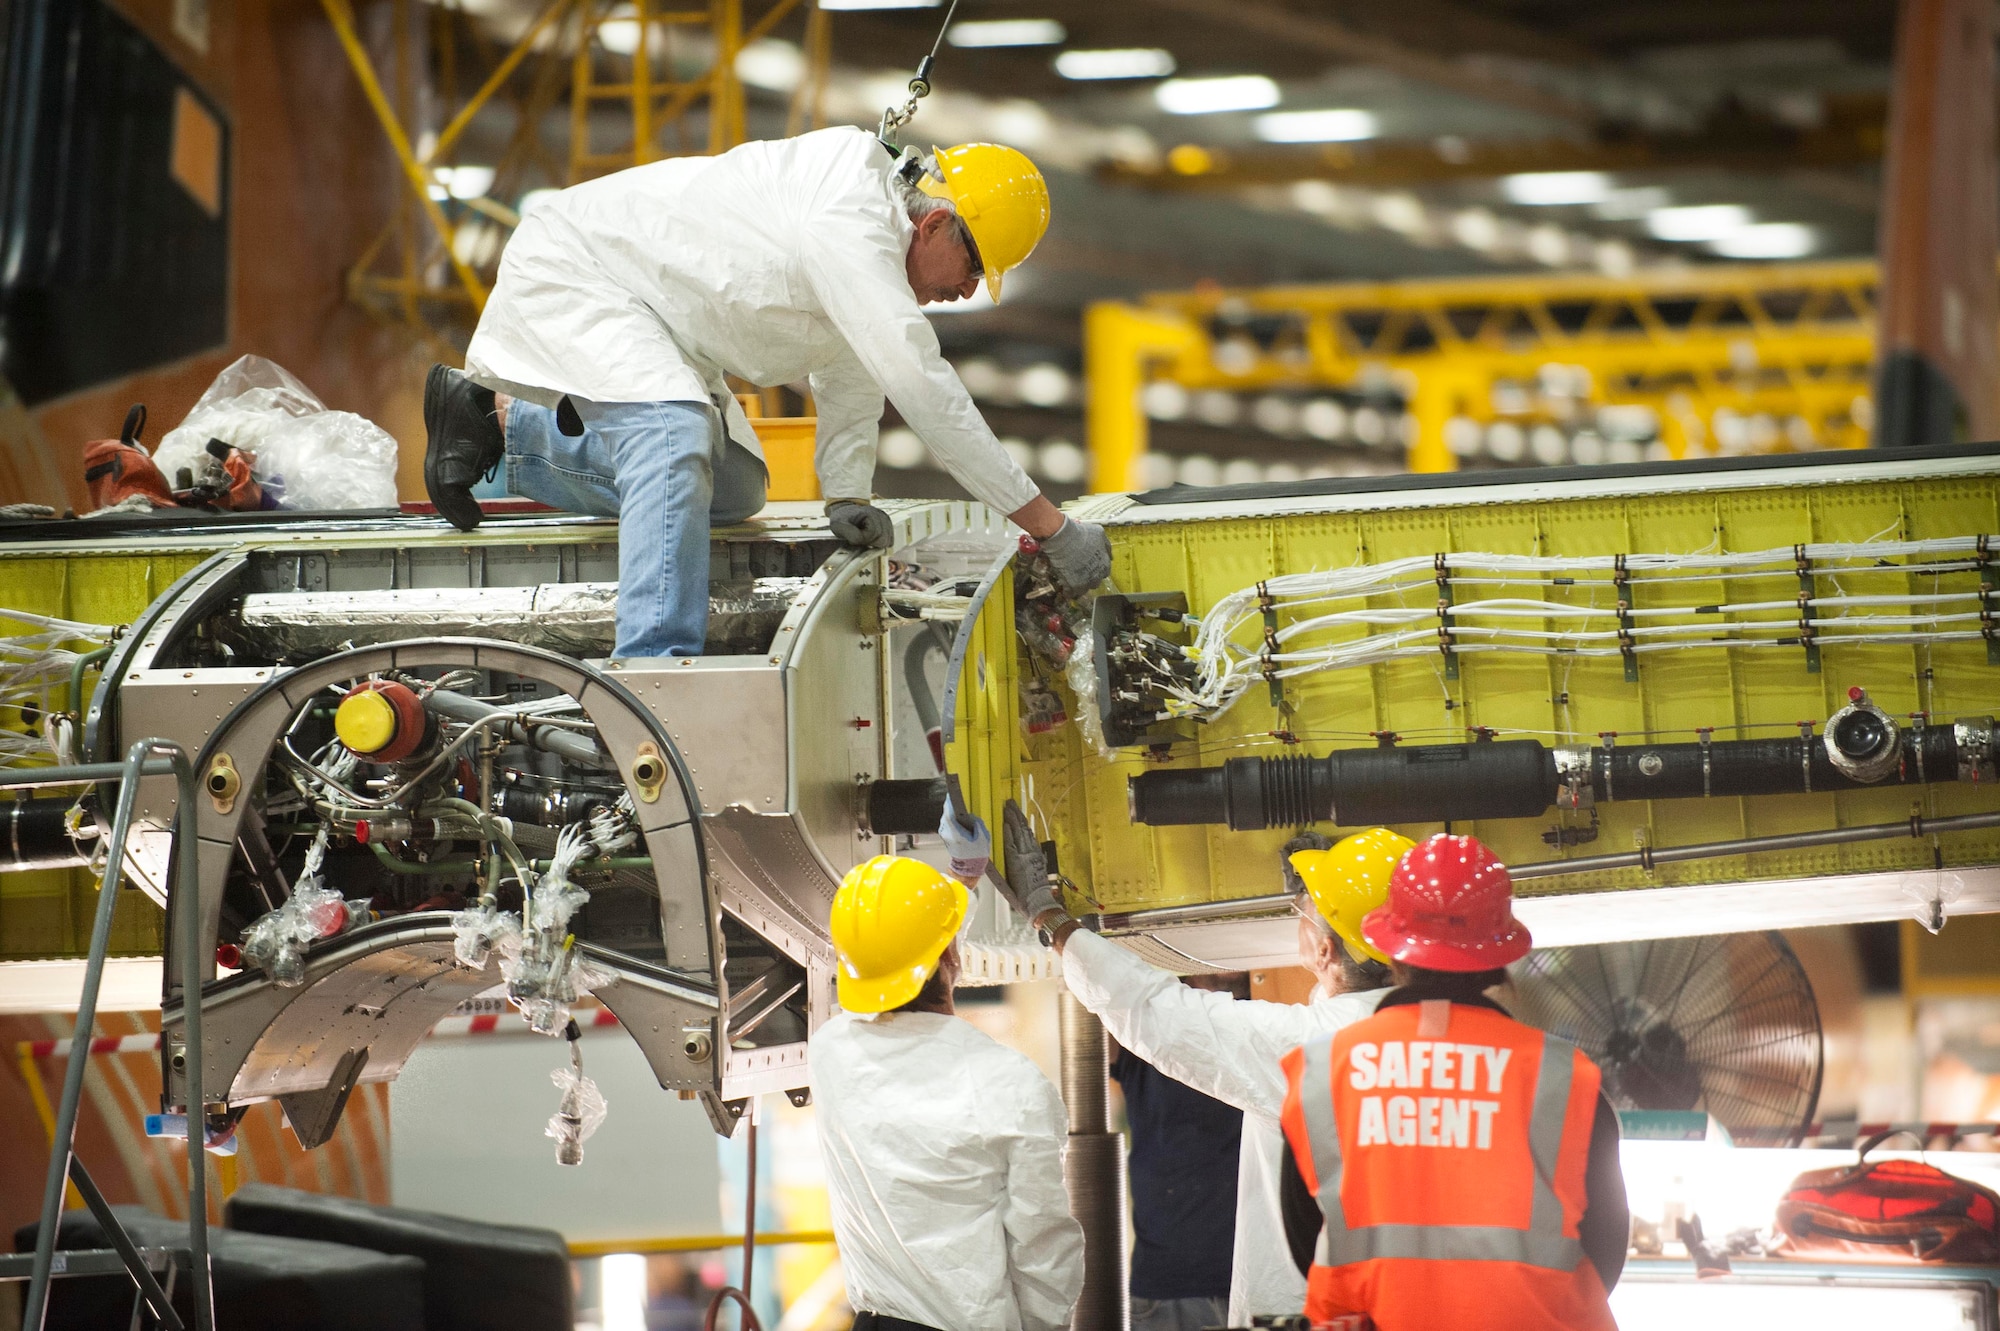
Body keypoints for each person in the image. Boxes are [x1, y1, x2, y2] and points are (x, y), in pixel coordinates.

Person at [422, 127, 1111, 659]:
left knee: (735, 488)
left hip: (667, 322)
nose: (965, 291)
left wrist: (846, 490)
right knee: (673, 437)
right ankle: (656, 671)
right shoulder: (850, 220)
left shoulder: (873, 257)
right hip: (584, 267)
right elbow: (918, 382)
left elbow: (854, 368)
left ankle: (500, 429)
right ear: (932, 225)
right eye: (972, 267)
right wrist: (1048, 524)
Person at [980, 806, 1407, 1325]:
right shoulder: (1445, 1033)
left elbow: (1158, 1012)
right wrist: (1309, 898)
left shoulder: (1313, 1047)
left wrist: (1050, 916)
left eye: (1306, 915)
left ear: (1322, 950)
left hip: (1311, 1312)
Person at [1277, 833, 1628, 1331]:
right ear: (1497, 956)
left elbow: (1304, 1239)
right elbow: (1607, 1244)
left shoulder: (1321, 1072)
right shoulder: (1563, 1076)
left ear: (1392, 949)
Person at [808, 853, 1083, 1331]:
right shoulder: (1012, 1086)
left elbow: (893, 956)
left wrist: (959, 889)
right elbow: (1043, 1250)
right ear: (953, 959)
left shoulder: (830, 1053)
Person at [1112, 977, 1246, 1331]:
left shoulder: (1270, 1021)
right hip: (1168, 1290)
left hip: (1260, 1283)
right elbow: (1096, 997)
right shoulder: (1148, 1029)